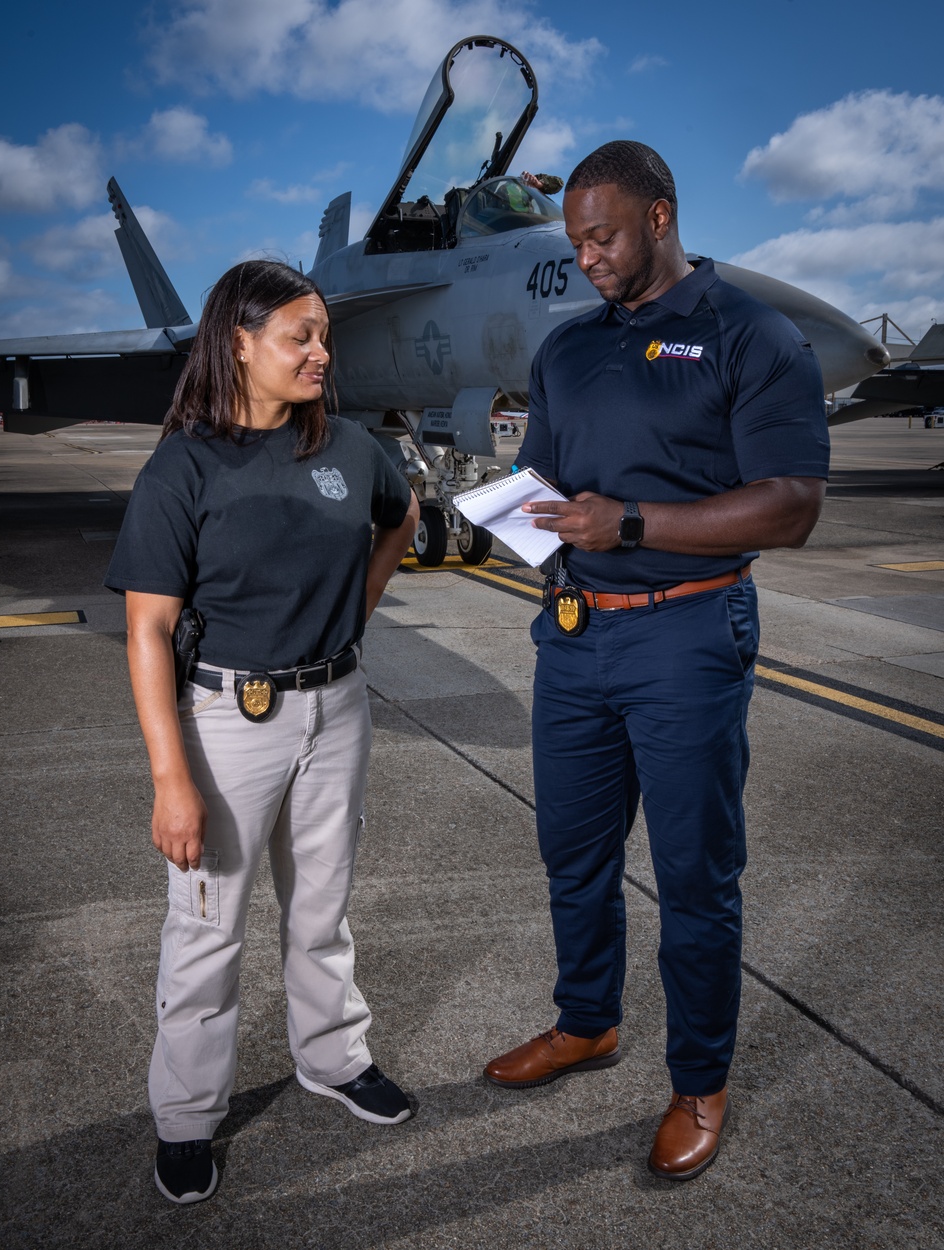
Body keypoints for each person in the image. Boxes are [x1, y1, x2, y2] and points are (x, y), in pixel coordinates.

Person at [482, 141, 829, 1181]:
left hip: (688, 631)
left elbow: (792, 504)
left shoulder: (751, 335)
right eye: (575, 238)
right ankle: (586, 1021)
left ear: (661, 219)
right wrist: (505, 513)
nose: (586, 255)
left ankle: (698, 1079)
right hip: (575, 633)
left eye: (604, 236)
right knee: (573, 856)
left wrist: (626, 521)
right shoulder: (565, 351)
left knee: (693, 876)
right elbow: (542, 478)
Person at [105, 259, 420, 1204]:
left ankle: (331, 1056)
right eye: (301, 336)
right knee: (207, 929)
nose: (322, 352)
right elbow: (148, 630)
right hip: (227, 724)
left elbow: (399, 521)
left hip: (339, 710)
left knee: (322, 909)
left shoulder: (350, 450)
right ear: (238, 343)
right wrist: (172, 780)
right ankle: (188, 1114)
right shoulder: (183, 467)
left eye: (325, 335)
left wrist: (349, 623)